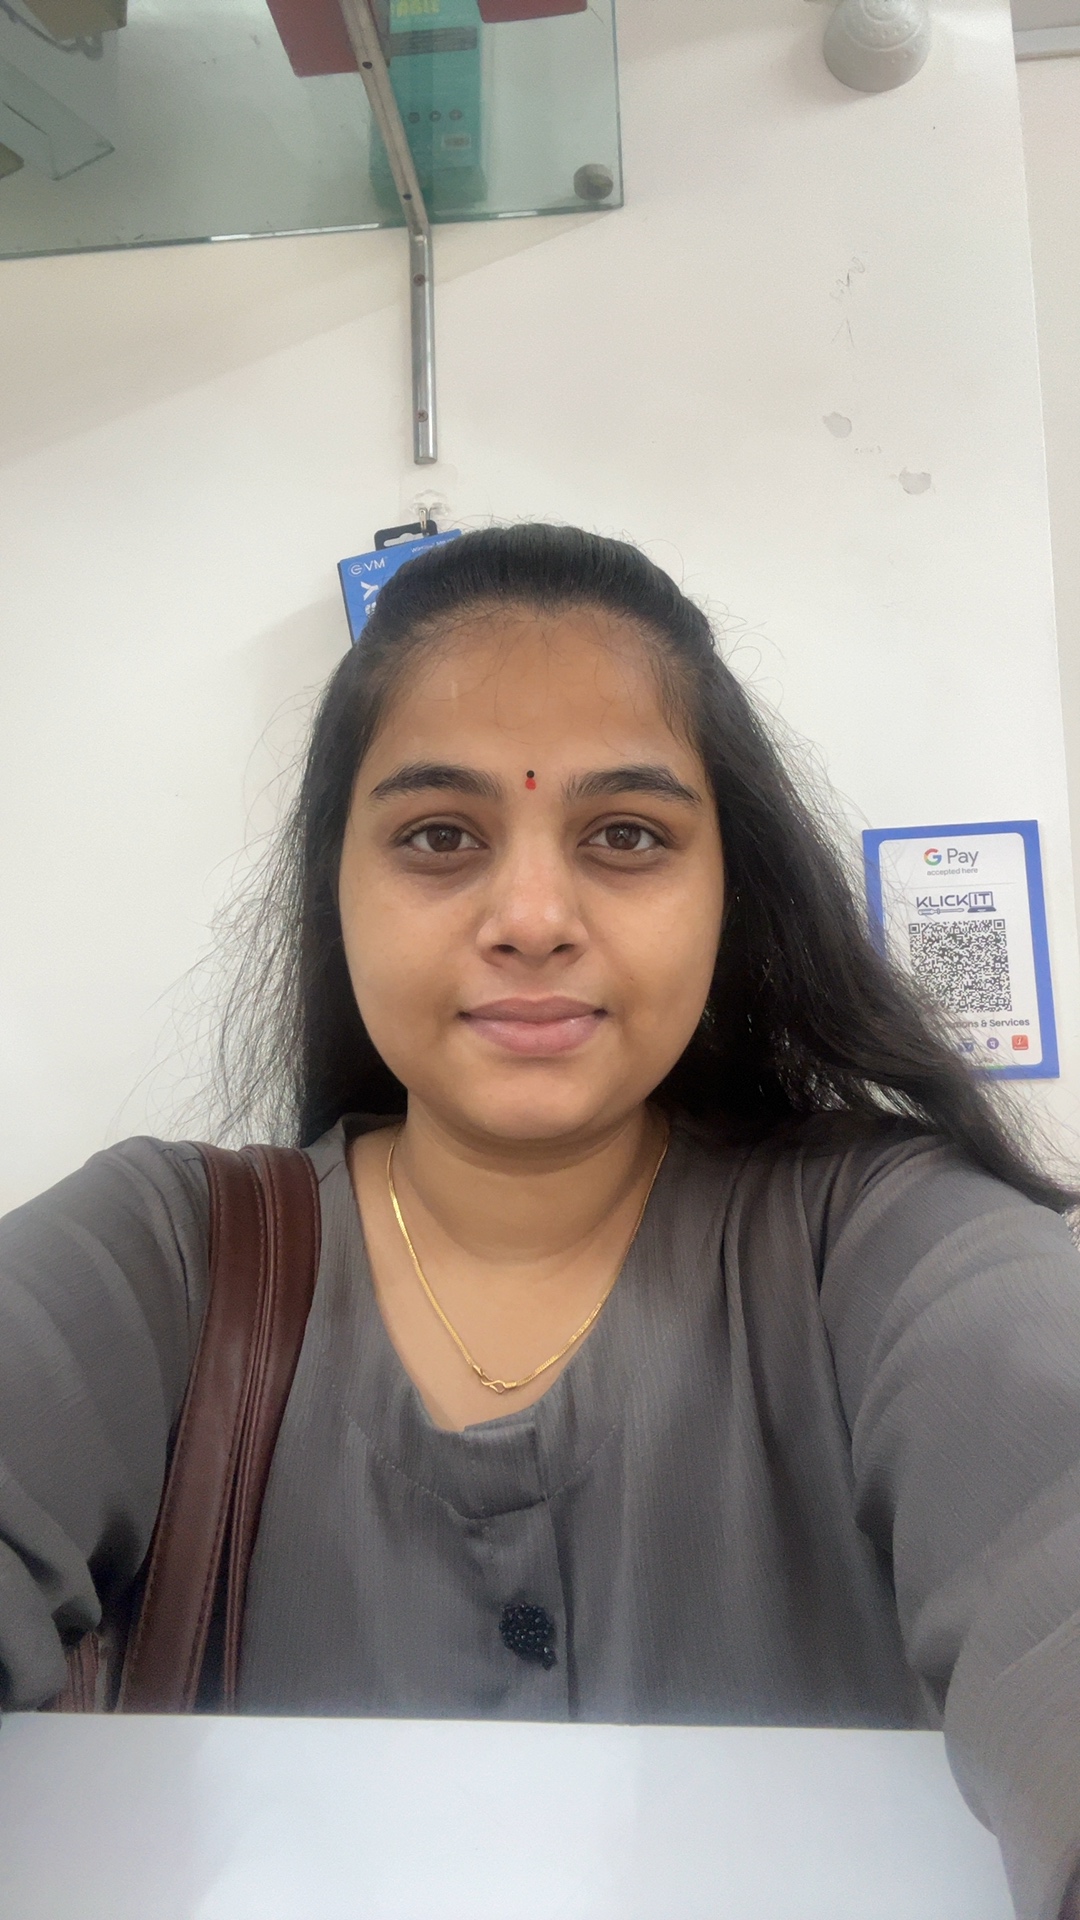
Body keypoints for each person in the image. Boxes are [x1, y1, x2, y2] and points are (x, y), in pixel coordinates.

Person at [2, 524, 1079, 1918]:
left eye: (626, 835)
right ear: (336, 890)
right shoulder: (166, 1259)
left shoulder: (885, 1247)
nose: (530, 916)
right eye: (439, 836)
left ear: (730, 891)